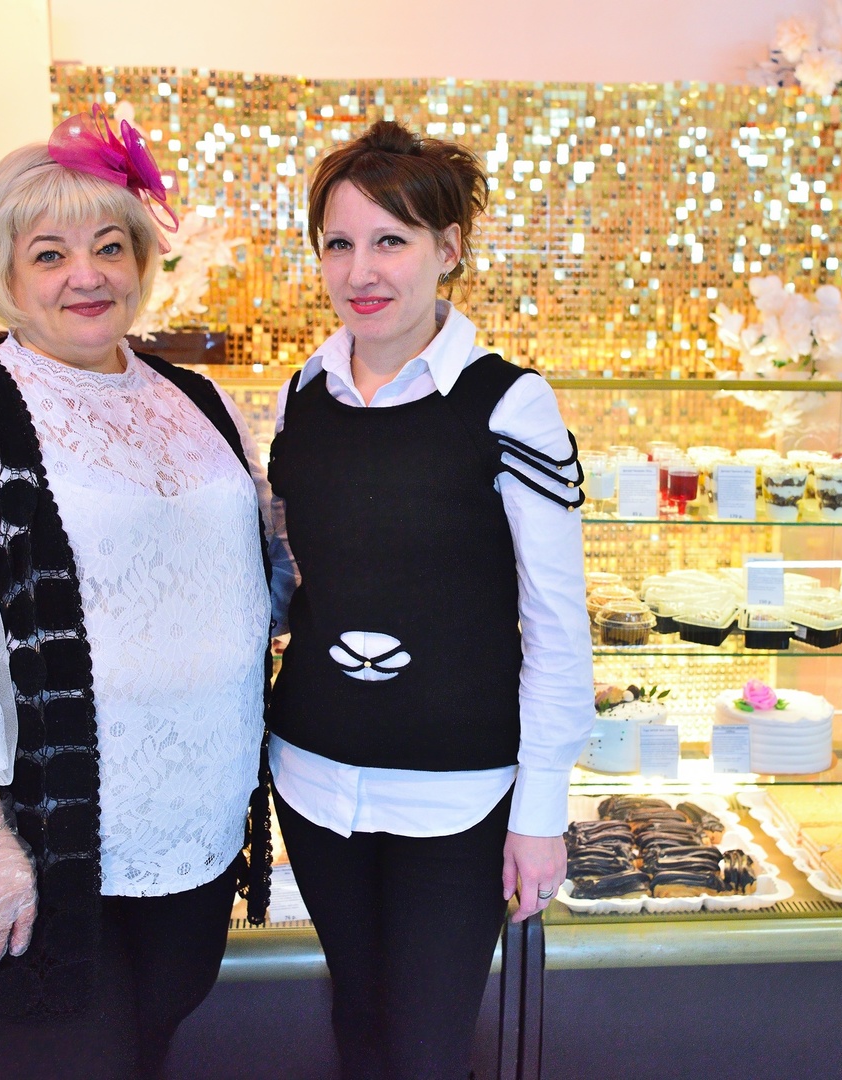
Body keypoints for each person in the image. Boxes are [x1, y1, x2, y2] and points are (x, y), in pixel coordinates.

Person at [0, 107, 292, 1080]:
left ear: (142, 261)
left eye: (109, 246)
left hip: (190, 848)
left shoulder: (198, 401)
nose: (87, 275)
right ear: (6, 274)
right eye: (50, 254)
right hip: (35, 860)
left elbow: (252, 571)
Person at [267, 119, 594, 1079]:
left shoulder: (510, 403)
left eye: (391, 240)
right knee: (358, 1027)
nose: (361, 271)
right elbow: (293, 579)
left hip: (460, 794)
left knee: (426, 1051)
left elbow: (556, 621)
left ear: (448, 249)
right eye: (339, 243)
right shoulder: (300, 395)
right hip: (313, 779)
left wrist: (542, 810)